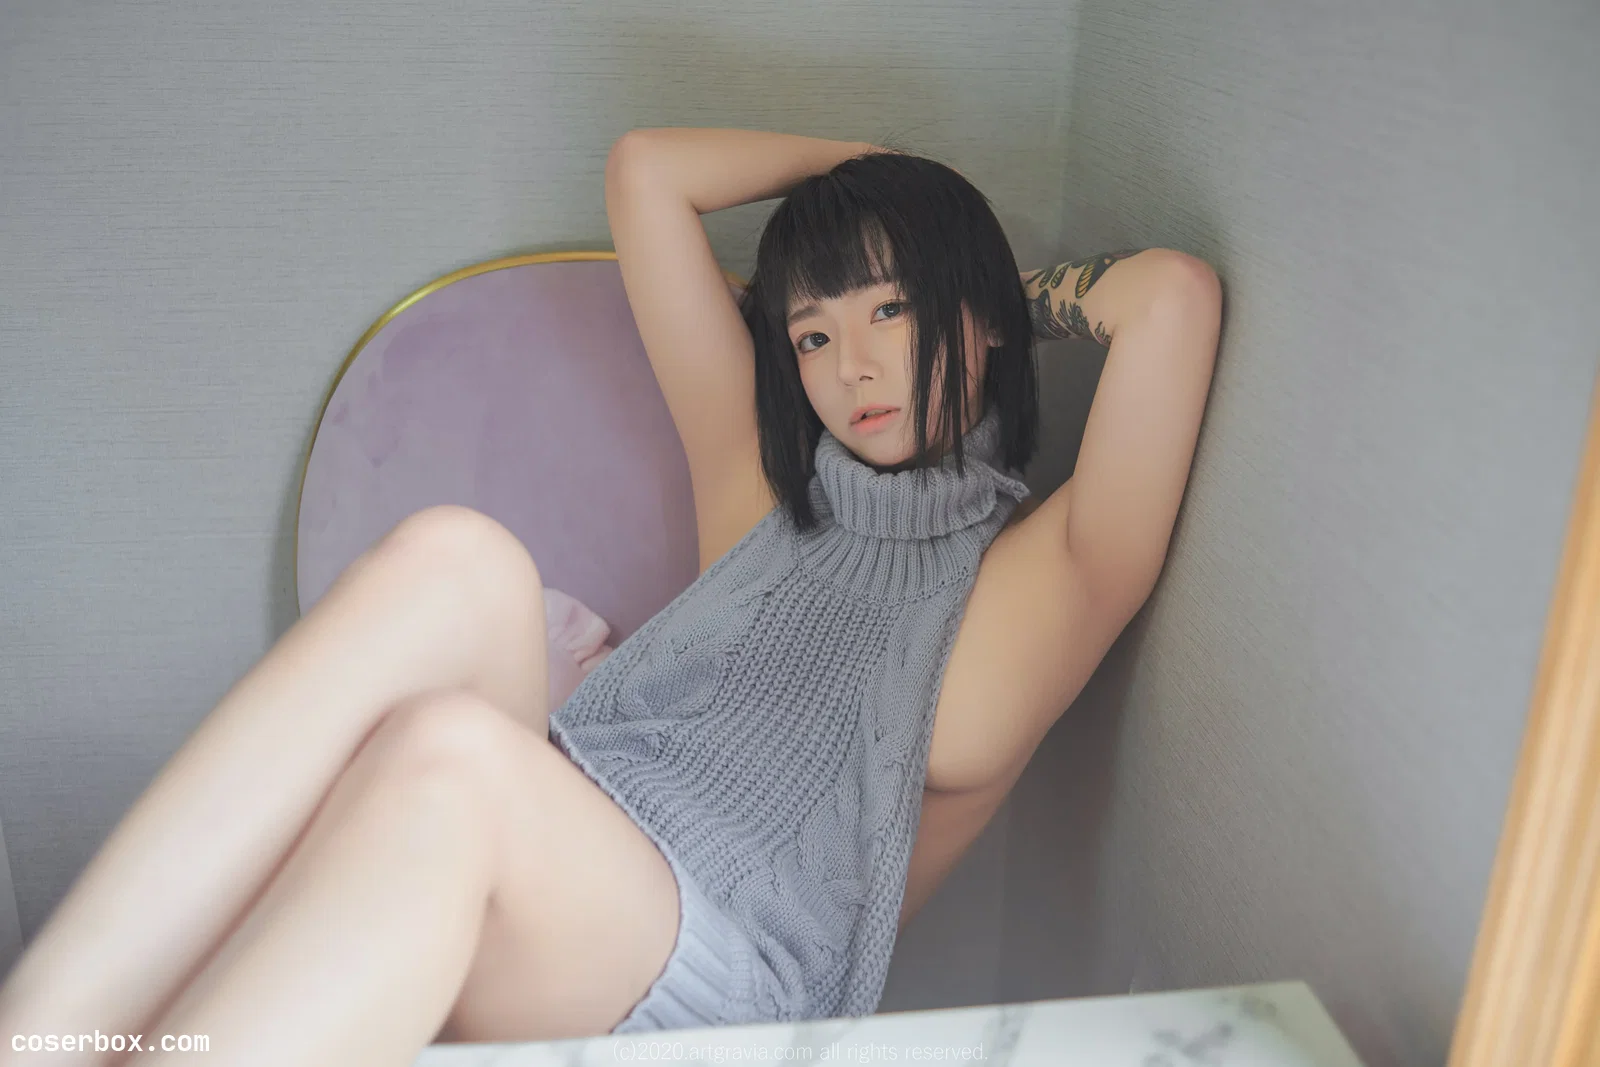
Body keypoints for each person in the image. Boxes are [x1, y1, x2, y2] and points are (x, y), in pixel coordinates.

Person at [0, 127, 1221, 1066]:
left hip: (728, 973)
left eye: (890, 311)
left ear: (977, 314)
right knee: (457, 556)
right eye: (811, 334)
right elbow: (646, 172)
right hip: (567, 840)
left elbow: (1166, 296)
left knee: (450, 755)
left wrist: (971, 275)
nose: (852, 366)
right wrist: (864, 179)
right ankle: (39, 1036)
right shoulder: (762, 489)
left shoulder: (1045, 578)